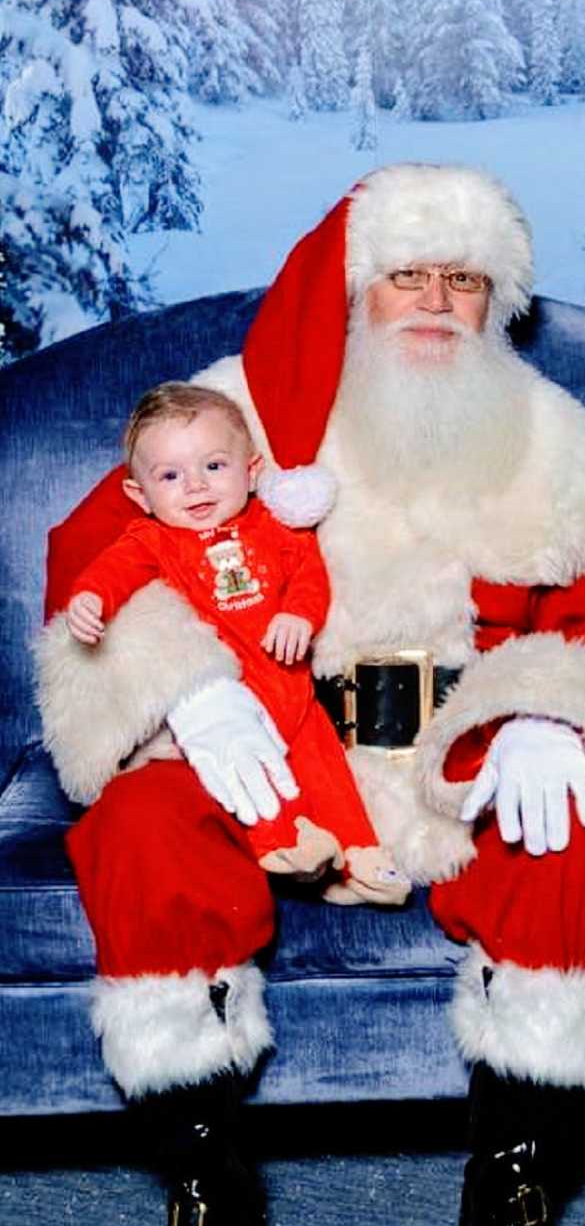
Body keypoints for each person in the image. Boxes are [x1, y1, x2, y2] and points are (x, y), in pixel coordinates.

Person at [36, 163, 585, 1226]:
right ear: (353, 291)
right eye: (405, 276)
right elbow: (93, 563)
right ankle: (211, 1204)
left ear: (497, 301)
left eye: (463, 281)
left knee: (581, 831)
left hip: (450, 758)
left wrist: (544, 714)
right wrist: (188, 684)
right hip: (265, 745)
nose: (434, 302)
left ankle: (512, 1196)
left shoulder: (561, 456)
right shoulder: (225, 424)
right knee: (139, 823)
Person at [64, 380, 409, 904]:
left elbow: (309, 574)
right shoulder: (151, 541)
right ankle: (284, 842)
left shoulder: (274, 526)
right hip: (233, 692)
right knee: (247, 770)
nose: (196, 487)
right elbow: (110, 574)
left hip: (291, 684)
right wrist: (90, 599)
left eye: (214, 467)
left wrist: (298, 613)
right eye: (171, 476)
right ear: (141, 494)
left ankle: (360, 852)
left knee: (326, 767)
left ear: (251, 472)